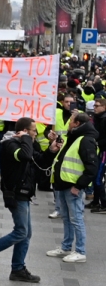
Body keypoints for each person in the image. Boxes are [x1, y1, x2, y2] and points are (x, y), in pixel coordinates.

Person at [0, 117, 46, 283]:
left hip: (24, 192)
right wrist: (26, 138)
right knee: (21, 232)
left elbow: (39, 160)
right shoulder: (10, 144)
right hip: (16, 193)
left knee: (26, 234)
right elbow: (26, 156)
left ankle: (18, 269)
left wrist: (53, 150)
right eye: (34, 130)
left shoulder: (27, 143)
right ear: (25, 131)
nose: (36, 133)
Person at [46, 113, 98, 263]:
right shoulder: (73, 137)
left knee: (76, 219)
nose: (68, 124)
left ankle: (80, 251)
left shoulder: (86, 140)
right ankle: (66, 247)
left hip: (72, 186)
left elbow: (92, 168)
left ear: (76, 123)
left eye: (70, 122)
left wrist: (79, 185)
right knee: (67, 218)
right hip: (63, 184)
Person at [89, 98, 106, 212]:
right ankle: (96, 202)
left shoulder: (104, 119)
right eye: (94, 105)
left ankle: (104, 204)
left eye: (97, 106)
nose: (94, 107)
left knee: (98, 178)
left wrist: (97, 143)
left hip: (104, 151)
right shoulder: (97, 118)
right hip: (98, 150)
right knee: (95, 176)